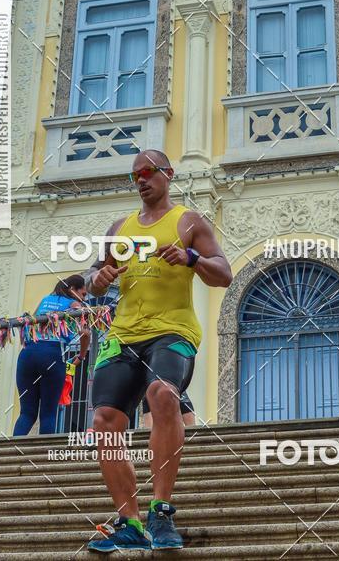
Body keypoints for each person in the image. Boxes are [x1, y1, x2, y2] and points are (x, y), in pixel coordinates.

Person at [85, 149, 232, 554]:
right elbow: (95, 279)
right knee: (104, 420)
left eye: (149, 172)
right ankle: (129, 522)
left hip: (173, 330)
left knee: (162, 394)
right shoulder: (120, 228)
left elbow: (224, 274)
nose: (141, 179)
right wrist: (100, 278)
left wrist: (191, 257)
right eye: (135, 175)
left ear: (168, 174)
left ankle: (162, 510)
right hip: (124, 334)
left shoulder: (188, 222)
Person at [12, 275, 90, 436]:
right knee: (48, 412)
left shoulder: (45, 300)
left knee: (26, 412)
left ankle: (11, 452)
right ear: (72, 290)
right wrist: (81, 356)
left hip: (28, 354)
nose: (84, 299)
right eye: (83, 294)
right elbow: (85, 332)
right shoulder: (75, 305)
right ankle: (45, 456)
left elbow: (30, 325)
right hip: (52, 354)